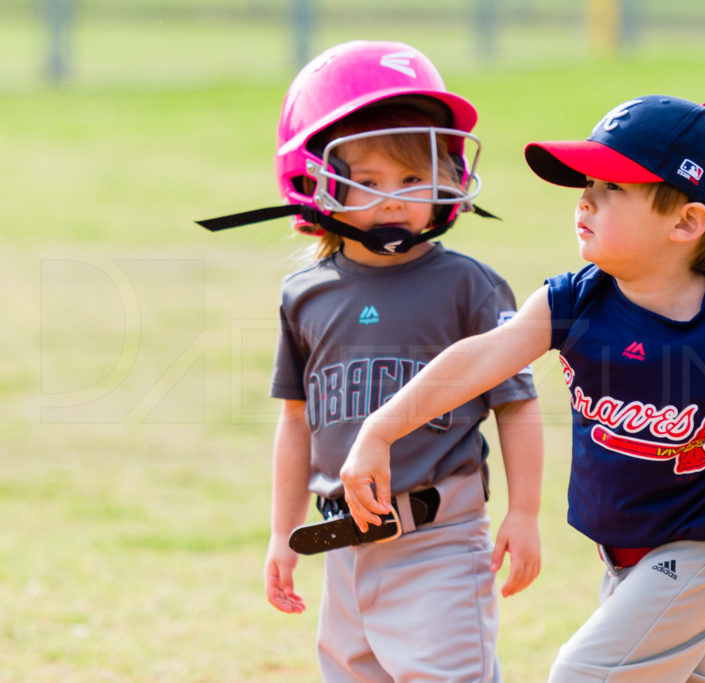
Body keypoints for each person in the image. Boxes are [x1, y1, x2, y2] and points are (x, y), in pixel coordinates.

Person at [340, 94, 705, 681]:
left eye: (613, 188)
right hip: (627, 551)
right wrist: (381, 428)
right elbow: (481, 359)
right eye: (587, 185)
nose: (586, 200)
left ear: (686, 222)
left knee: (586, 673)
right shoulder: (575, 301)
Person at [203, 40, 543, 682]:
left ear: (448, 174)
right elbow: (295, 423)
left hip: (439, 540)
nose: (392, 200)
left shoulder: (469, 286)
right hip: (342, 546)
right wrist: (282, 531)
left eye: (412, 178)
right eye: (367, 180)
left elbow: (517, 405)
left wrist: (523, 513)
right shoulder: (305, 295)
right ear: (315, 181)